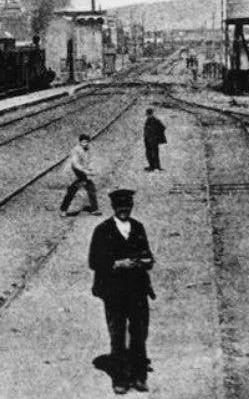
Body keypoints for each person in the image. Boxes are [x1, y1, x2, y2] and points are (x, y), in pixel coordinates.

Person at [89, 189, 156, 395]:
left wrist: (147, 261)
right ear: (114, 208)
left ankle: (138, 376)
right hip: (114, 292)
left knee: (139, 333)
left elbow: (148, 255)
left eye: (127, 206)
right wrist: (117, 264)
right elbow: (94, 261)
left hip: (138, 290)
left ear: (132, 207)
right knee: (117, 334)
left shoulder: (137, 227)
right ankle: (120, 378)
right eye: (120, 207)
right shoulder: (103, 230)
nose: (124, 210)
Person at [60, 134, 100, 217]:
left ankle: (94, 209)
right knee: (71, 192)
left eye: (86, 142)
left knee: (91, 190)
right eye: (83, 141)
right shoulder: (76, 150)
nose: (85, 143)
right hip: (74, 175)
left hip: (83, 175)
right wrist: (86, 171)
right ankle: (63, 210)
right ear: (80, 142)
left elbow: (90, 161)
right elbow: (75, 164)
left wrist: (91, 168)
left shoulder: (88, 150)